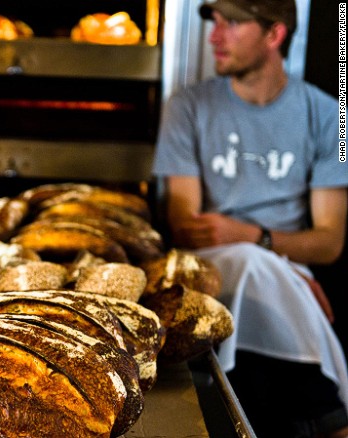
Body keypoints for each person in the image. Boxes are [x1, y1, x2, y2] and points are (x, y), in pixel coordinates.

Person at [152, 0, 348, 436]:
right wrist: (267, 255)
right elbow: (186, 225)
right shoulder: (185, 107)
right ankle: (331, 419)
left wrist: (255, 239)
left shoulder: (333, 118)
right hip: (214, 270)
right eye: (213, 22)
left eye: (233, 23)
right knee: (251, 264)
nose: (214, 36)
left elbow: (330, 241)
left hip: (284, 276)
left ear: (274, 35)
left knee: (257, 267)